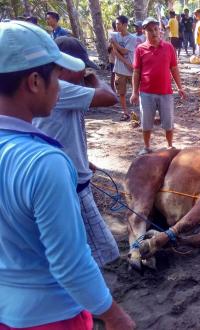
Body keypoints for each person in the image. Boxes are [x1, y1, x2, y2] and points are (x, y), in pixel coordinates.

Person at [0, 20, 135, 330]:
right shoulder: (44, 162)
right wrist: (114, 315)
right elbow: (69, 263)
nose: (59, 87)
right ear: (35, 81)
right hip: (51, 315)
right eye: (55, 76)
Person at [32, 36, 120, 267]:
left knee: (75, 246)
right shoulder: (61, 89)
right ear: (60, 67)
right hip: (73, 184)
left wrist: (84, 159)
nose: (82, 74)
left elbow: (57, 131)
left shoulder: (51, 89)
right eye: (78, 68)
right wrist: (93, 78)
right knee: (104, 251)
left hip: (69, 176)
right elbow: (110, 97)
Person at [130, 17, 186, 155]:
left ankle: (170, 145)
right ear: (144, 32)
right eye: (150, 30)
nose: (154, 33)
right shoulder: (140, 49)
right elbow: (136, 72)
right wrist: (134, 92)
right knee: (146, 122)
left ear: (160, 30)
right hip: (146, 93)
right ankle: (147, 147)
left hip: (166, 92)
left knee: (168, 122)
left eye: (156, 29)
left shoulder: (168, 47)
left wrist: (180, 87)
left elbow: (174, 68)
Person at [110, 15, 137, 121]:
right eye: (116, 24)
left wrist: (114, 44)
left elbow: (123, 51)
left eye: (118, 24)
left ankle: (139, 112)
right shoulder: (114, 35)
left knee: (137, 91)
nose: (116, 26)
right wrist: (116, 49)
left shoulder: (132, 38)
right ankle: (125, 112)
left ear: (125, 25)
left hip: (132, 70)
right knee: (121, 93)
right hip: (120, 70)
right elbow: (115, 52)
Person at [108, 20, 117, 92]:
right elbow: (108, 47)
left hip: (116, 58)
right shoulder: (112, 34)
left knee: (115, 74)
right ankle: (112, 89)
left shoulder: (119, 34)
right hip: (113, 58)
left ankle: (114, 88)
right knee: (113, 73)